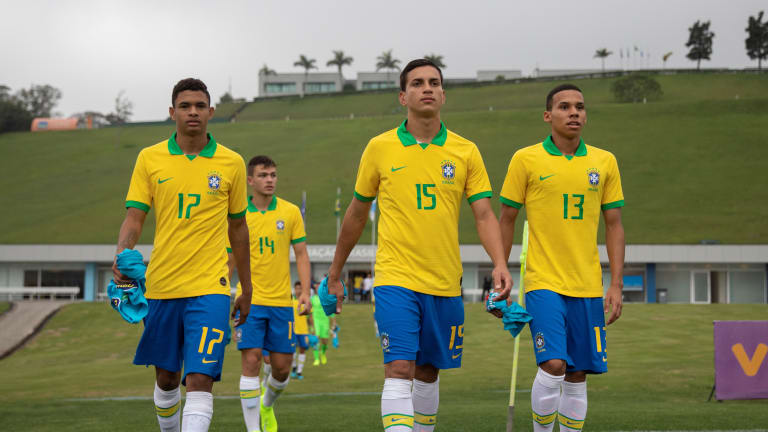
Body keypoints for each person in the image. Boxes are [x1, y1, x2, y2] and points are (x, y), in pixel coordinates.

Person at [325, 58, 513, 432]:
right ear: (402, 96)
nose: (426, 88)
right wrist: (334, 272)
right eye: (417, 83)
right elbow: (357, 214)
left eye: (433, 82)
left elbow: (484, 215)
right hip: (396, 278)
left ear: (443, 94)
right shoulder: (379, 148)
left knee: (428, 372)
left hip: (445, 282)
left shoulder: (465, 152)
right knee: (399, 367)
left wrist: (501, 264)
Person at [113, 78, 253, 432]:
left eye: (200, 106)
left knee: (200, 379)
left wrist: (246, 288)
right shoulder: (150, 158)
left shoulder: (232, 162)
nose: (193, 112)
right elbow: (135, 217)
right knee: (167, 378)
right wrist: (121, 257)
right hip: (161, 285)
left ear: (211, 112)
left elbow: (239, 228)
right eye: (186, 106)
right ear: (173, 112)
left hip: (212, 287)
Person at [498, 84, 625, 432]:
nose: (574, 113)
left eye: (580, 107)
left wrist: (615, 283)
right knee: (553, 364)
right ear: (547, 115)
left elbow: (614, 226)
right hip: (543, 282)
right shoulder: (526, 159)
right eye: (565, 107)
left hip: (587, 284)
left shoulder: (604, 161)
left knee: (577, 372)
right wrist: (500, 270)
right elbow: (506, 219)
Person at [230, 155, 311, 432]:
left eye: (273, 175)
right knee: (251, 360)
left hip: (281, 304)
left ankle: (266, 405)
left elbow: (301, 253)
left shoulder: (289, 213)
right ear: (250, 181)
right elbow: (229, 258)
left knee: (281, 369)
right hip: (249, 301)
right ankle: (254, 429)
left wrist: (305, 293)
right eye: (264, 175)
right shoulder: (239, 215)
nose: (270, 180)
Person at [291, 281, 312, 380]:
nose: (298, 290)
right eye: (297, 288)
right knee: (292, 351)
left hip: (303, 330)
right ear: (294, 289)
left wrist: (312, 329)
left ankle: (299, 372)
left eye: (300, 288)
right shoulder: (290, 301)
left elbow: (310, 317)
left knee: (302, 350)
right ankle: (294, 368)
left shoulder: (306, 302)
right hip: (293, 330)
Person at [310, 284, 335, 366]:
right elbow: (309, 313)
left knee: (325, 341)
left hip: (325, 322)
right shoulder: (312, 299)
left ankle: (323, 354)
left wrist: (333, 323)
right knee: (315, 341)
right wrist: (311, 325)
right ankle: (316, 359)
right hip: (316, 322)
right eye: (316, 288)